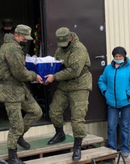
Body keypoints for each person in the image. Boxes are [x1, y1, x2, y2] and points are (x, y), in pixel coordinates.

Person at [0, 24, 43, 164]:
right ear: (16, 35)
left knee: (36, 112)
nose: (25, 40)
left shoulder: (15, 47)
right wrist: (35, 76)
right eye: (24, 37)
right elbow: (19, 72)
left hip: (20, 89)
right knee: (15, 125)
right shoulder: (11, 48)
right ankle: (12, 156)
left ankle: (19, 135)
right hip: (10, 91)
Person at [44, 27, 92, 161]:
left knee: (77, 118)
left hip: (79, 85)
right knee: (54, 111)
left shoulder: (79, 49)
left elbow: (75, 71)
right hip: (64, 85)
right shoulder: (60, 49)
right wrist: (46, 74)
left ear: (70, 38)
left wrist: (54, 77)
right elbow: (56, 64)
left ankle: (77, 146)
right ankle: (60, 133)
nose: (62, 46)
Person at [98, 46, 130, 158]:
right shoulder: (108, 68)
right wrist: (105, 91)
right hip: (112, 102)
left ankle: (124, 149)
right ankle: (112, 149)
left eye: (120, 56)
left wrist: (128, 93)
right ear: (113, 57)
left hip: (126, 102)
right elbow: (101, 81)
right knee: (111, 126)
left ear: (124, 56)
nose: (118, 58)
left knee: (125, 126)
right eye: (116, 56)